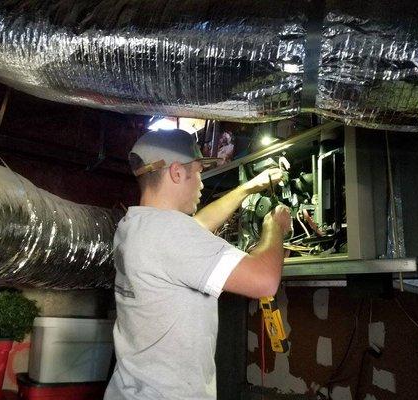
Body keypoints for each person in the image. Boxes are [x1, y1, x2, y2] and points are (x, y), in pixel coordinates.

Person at [104, 128, 291, 400]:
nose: (202, 181)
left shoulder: (135, 226)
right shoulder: (171, 233)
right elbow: (264, 280)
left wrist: (249, 187)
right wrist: (274, 227)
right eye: (199, 170)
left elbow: (198, 226)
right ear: (177, 173)